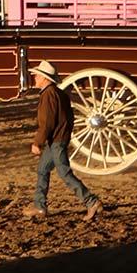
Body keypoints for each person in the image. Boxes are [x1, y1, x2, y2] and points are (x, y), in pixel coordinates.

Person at [24, 60, 102, 221]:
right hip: (59, 140)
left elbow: (47, 123)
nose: (35, 78)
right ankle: (39, 206)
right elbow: (68, 118)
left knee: (64, 173)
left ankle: (91, 201)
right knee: (42, 170)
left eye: (37, 76)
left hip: (56, 142)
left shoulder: (48, 95)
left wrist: (37, 142)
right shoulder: (59, 93)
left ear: (45, 78)